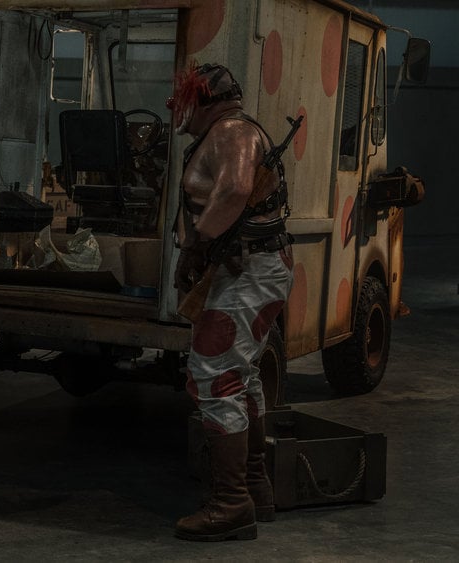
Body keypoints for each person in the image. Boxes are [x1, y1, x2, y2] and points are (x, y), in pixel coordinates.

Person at [168, 63, 294, 541]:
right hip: (252, 269)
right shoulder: (231, 130)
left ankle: (231, 504)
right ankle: (255, 488)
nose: (178, 110)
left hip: (247, 271)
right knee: (240, 377)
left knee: (215, 378)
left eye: (184, 99)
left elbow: (238, 188)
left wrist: (199, 243)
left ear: (204, 99)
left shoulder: (231, 132)